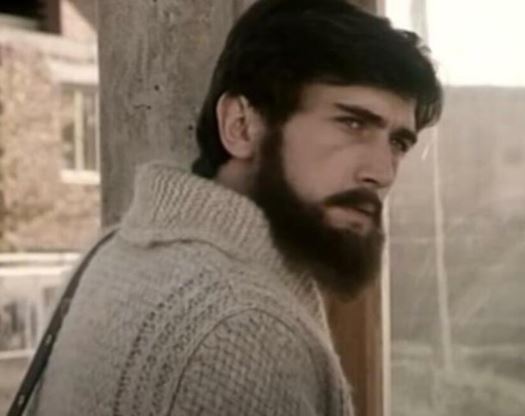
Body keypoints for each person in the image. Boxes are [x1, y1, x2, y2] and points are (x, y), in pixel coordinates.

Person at [29, 0, 442, 414]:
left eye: (398, 143)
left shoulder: (112, 253)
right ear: (241, 126)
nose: (381, 172)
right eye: (352, 124)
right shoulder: (247, 330)